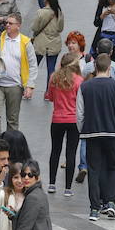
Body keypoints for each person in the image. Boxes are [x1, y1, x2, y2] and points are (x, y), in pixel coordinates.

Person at [77, 53, 115, 221]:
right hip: (112, 132)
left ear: (94, 68)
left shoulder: (85, 87)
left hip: (92, 132)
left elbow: (80, 113)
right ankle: (111, 203)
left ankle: (94, 208)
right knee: (113, 167)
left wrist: (82, 130)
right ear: (109, 68)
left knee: (94, 169)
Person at [0, 13, 38, 132]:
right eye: (6, 23)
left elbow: (33, 65)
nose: (7, 25)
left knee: (12, 119)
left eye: (10, 23)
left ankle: (11, 145)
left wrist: (30, 85)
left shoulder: (25, 42)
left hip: (15, 86)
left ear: (18, 26)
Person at [45, 54, 83, 197]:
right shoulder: (79, 80)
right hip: (73, 120)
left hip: (57, 119)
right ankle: (67, 188)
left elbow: (50, 97)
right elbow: (81, 102)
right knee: (71, 153)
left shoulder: (54, 78)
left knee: (55, 151)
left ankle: (52, 184)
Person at [31, 0, 64, 86]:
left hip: (41, 43)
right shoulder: (59, 13)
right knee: (51, 68)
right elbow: (60, 28)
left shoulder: (41, 12)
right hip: (54, 43)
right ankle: (48, 92)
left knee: (33, 67)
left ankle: (28, 87)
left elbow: (35, 28)